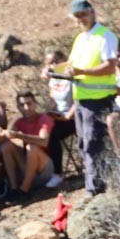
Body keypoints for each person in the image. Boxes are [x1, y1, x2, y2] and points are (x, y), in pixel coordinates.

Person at [64, 0, 118, 197]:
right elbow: (70, 65)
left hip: (99, 98)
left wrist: (82, 71)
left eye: (83, 15)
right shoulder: (80, 39)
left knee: (93, 142)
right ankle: (94, 183)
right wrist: (53, 70)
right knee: (83, 143)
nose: (80, 20)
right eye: (76, 17)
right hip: (81, 99)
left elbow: (110, 65)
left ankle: (95, 188)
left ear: (92, 12)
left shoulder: (105, 36)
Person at [0, 92, 60, 203]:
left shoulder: (44, 118)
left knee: (32, 147)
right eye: (22, 105)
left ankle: (24, 190)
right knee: (6, 146)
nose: (26, 108)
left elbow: (44, 141)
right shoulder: (19, 122)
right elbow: (6, 137)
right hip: (28, 167)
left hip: (44, 168)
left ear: (35, 104)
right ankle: (14, 189)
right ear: (18, 107)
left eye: (29, 104)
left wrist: (18, 135)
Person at [40, 49, 77, 177]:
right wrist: (47, 113)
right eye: (50, 63)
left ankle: (57, 173)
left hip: (73, 116)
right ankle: (43, 171)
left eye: (56, 61)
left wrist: (67, 117)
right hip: (59, 116)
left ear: (64, 60)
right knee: (41, 130)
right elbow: (53, 100)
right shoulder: (54, 79)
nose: (53, 66)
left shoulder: (71, 76)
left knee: (52, 134)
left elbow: (78, 100)